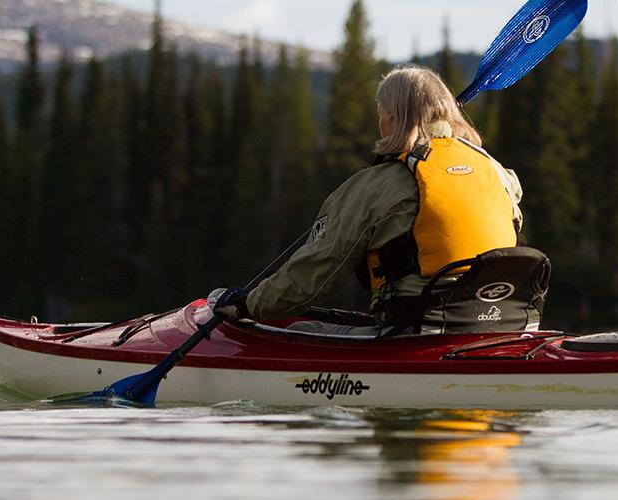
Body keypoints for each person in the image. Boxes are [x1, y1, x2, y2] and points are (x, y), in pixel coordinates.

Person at [211, 64, 535, 336]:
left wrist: (247, 305)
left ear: (392, 119)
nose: (379, 121)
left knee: (295, 331)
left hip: (418, 332)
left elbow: (313, 275)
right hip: (507, 325)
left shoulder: (376, 186)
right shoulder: (495, 170)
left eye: (382, 113)